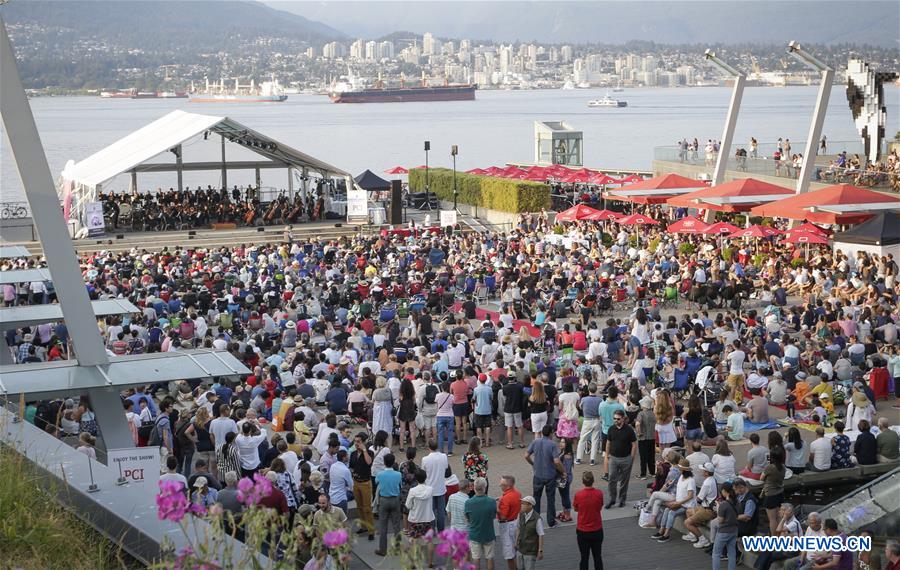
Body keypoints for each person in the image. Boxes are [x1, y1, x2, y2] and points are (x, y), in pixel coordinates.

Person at [525, 424, 564, 528]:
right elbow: (556, 461)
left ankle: (536, 521)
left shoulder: (535, 442)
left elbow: (526, 455)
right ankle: (551, 521)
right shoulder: (552, 444)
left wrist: (533, 464)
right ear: (551, 433)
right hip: (550, 475)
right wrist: (563, 471)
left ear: (542, 432)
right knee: (550, 498)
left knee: (536, 498)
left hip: (537, 474)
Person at [753, 502, 802, 570]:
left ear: (789, 512)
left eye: (782, 510)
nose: (779, 511)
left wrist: (784, 518)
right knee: (766, 552)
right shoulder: (786, 521)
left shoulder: (794, 523)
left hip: (793, 550)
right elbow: (779, 535)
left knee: (768, 554)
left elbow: (778, 530)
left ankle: (757, 568)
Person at [604, 409, 636, 509]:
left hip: (626, 458)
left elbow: (634, 444)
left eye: (618, 419)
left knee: (624, 481)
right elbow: (608, 443)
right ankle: (612, 499)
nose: (615, 420)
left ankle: (622, 499)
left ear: (623, 418)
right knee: (611, 480)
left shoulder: (629, 430)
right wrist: (606, 456)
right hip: (613, 458)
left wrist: (632, 458)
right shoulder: (611, 429)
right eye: (614, 419)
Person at [573, 471, 604, 570]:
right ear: (593, 481)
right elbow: (600, 506)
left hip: (583, 531)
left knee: (584, 557)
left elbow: (576, 508)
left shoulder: (578, 495)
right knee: (597, 557)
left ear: (583, 481)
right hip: (597, 529)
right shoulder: (599, 493)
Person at [465, 477, 497, 570]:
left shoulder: (468, 503)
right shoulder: (491, 501)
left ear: (474, 487)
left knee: (476, 559)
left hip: (475, 534)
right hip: (488, 534)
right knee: (489, 557)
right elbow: (493, 516)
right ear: (485, 487)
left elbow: (467, 518)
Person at [374, 453, 402, 557]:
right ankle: (398, 548)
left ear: (384, 463)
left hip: (384, 500)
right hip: (395, 499)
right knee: (396, 525)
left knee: (383, 525)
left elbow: (377, 482)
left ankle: (383, 549)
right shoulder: (398, 474)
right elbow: (400, 484)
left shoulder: (380, 474)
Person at [405, 469, 435, 566]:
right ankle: (430, 562)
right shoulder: (430, 489)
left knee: (414, 540)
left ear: (416, 479)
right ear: (425, 477)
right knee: (429, 541)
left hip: (415, 519)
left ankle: (413, 563)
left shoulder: (412, 491)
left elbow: (408, 505)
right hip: (428, 518)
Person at [684, 462, 717, 548]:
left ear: (706, 472)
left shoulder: (707, 483)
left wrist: (694, 507)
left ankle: (703, 540)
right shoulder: (712, 479)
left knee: (687, 523)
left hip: (708, 510)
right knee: (688, 511)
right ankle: (693, 534)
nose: (701, 470)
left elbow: (699, 499)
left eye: (703, 469)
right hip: (706, 507)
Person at [349, 432, 375, 540]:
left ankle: (371, 530)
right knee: (359, 506)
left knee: (367, 508)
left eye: (358, 442)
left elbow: (369, 462)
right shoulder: (353, 454)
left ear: (364, 442)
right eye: (355, 441)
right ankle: (363, 526)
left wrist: (364, 450)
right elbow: (351, 466)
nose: (356, 444)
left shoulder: (369, 452)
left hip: (365, 483)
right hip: (356, 482)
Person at [422, 439, 449, 531]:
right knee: (441, 511)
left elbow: (423, 472)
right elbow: (446, 467)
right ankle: (441, 530)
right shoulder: (444, 457)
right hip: (441, 487)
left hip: (430, 488)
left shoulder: (425, 459)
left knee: (431, 511)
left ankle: (432, 530)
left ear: (429, 447)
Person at [759, 445, 787, 535]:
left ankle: (774, 537)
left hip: (770, 495)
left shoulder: (770, 468)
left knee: (772, 519)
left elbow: (761, 478)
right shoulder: (783, 467)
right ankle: (780, 535)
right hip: (780, 493)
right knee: (779, 517)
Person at [711, 481, 739, 570]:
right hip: (734, 530)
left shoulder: (724, 504)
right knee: (731, 552)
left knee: (716, 553)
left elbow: (720, 520)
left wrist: (718, 508)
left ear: (724, 491)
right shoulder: (737, 502)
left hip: (724, 531)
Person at [497, 475, 522, 570]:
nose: (500, 485)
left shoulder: (505, 499)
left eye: (502, 484)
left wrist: (496, 508)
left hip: (507, 526)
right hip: (516, 522)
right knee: (514, 550)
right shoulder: (518, 494)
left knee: (509, 555)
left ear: (508, 486)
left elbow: (503, 517)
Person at [515, 495, 545, 570]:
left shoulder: (537, 519)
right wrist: (516, 542)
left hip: (530, 551)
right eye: (521, 503)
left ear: (530, 505)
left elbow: (541, 535)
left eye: (523, 504)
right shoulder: (520, 514)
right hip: (520, 548)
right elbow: (518, 528)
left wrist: (540, 550)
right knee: (519, 568)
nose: (521, 505)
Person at [575, 382, 602, 466]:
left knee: (582, 439)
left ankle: (579, 458)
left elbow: (580, 407)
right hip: (597, 420)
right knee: (595, 440)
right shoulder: (600, 400)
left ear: (588, 390)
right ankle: (592, 460)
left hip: (587, 420)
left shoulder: (584, 399)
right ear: (596, 390)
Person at [634, 396, 656, 479]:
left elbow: (638, 424)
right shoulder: (652, 413)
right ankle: (652, 472)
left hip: (643, 438)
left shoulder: (641, 414)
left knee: (643, 457)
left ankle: (643, 474)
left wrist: (638, 433)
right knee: (651, 456)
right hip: (652, 437)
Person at [502, 375, 526, 450]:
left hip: (508, 409)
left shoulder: (505, 387)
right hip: (517, 408)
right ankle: (522, 443)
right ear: (515, 378)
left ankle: (510, 444)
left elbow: (505, 396)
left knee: (509, 427)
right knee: (519, 426)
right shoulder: (519, 387)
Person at [328, 449, 354, 514]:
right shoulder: (345, 470)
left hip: (331, 497)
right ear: (344, 458)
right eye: (347, 455)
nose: (348, 457)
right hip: (341, 499)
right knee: (342, 521)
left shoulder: (332, 466)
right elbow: (352, 486)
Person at [473, 375, 494, 447]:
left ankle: (480, 443)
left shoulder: (476, 389)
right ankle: (487, 442)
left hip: (478, 410)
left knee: (479, 427)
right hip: (487, 409)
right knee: (487, 426)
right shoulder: (489, 389)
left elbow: (474, 398)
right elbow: (491, 398)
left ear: (479, 380)